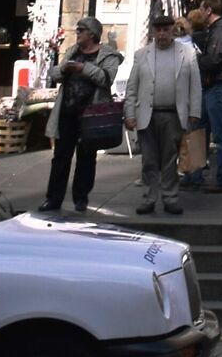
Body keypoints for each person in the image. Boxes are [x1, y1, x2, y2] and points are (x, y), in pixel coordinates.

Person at [125, 11, 202, 215]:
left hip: (173, 115)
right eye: (158, 31)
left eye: (165, 30)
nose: (162, 35)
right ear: (153, 33)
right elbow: (132, 87)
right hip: (147, 114)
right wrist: (129, 113)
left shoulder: (187, 53)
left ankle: (170, 197)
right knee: (149, 160)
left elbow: (195, 85)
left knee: (170, 159)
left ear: (172, 31)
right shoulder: (142, 55)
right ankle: (149, 198)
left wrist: (195, 111)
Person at [42, 16, 120, 214]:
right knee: (60, 157)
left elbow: (106, 78)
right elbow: (55, 74)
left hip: (90, 114)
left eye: (80, 30)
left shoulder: (107, 55)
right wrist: (63, 69)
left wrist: (83, 68)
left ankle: (81, 197)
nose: (77, 33)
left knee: (86, 157)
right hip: (67, 112)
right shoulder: (73, 51)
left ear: (91, 34)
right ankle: (53, 198)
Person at [183, 0, 222, 194]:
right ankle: (195, 175)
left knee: (221, 134)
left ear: (208, 10)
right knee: (198, 130)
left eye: (201, 8)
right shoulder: (219, 30)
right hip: (213, 85)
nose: (200, 12)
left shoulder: (220, 30)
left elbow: (215, 60)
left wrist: (196, 58)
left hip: (218, 85)